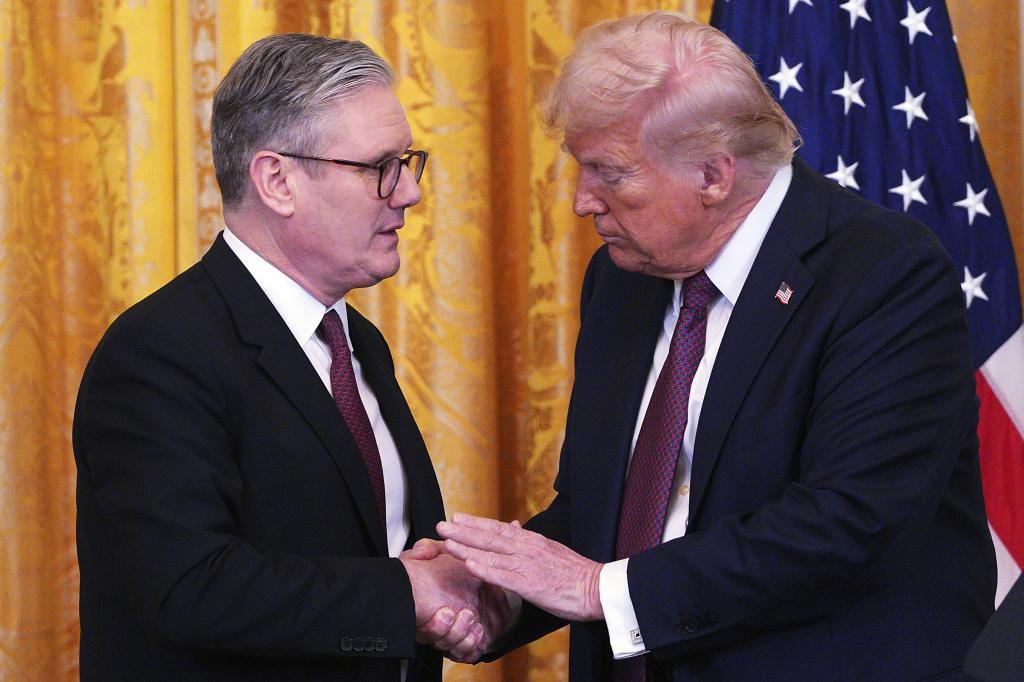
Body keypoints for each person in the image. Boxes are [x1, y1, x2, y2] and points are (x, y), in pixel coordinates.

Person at [436, 11, 997, 680]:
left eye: (609, 173)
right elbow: (608, 509)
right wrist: (497, 592)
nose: (584, 201)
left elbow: (846, 525)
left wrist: (597, 592)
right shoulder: (623, 280)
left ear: (713, 176)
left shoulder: (883, 274)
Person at [73, 33, 505, 680]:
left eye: (406, 162)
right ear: (277, 180)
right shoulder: (159, 354)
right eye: (378, 167)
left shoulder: (357, 343)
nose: (409, 194)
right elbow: (190, 588)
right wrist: (408, 595)